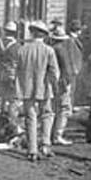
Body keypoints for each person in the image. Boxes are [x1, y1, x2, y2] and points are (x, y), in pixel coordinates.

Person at [14, 20, 60, 161]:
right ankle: (45, 145)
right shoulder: (48, 50)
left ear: (32, 33)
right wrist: (55, 85)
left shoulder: (22, 49)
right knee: (47, 115)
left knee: (30, 117)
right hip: (44, 87)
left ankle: (32, 149)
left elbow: (16, 69)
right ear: (44, 35)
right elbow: (55, 72)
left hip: (26, 87)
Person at [49, 23, 82, 145]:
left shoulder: (51, 48)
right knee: (64, 108)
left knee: (54, 108)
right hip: (62, 82)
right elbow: (67, 69)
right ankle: (58, 135)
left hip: (52, 82)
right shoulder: (61, 50)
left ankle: (51, 133)